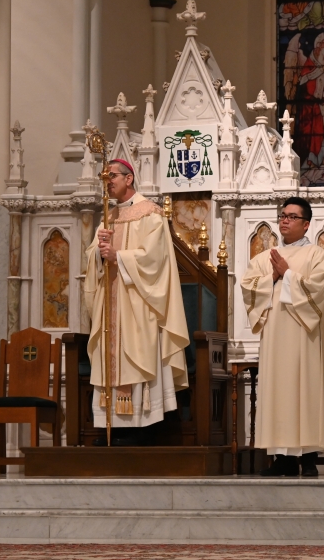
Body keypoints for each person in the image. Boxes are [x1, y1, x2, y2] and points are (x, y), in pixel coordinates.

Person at [83, 159, 189, 445]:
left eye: (113, 176)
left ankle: (142, 428)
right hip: (112, 305)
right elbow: (93, 259)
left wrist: (119, 256)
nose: (109, 182)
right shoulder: (109, 216)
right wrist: (98, 249)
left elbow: (155, 260)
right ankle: (113, 428)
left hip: (139, 302)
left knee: (137, 355)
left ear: (129, 179)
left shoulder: (150, 214)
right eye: (105, 177)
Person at [240, 196, 324, 477]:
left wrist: (288, 275)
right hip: (276, 335)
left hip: (304, 336)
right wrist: (273, 278)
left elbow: (319, 292)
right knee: (278, 391)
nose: (285, 220)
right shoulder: (262, 258)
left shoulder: (317, 255)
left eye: (292, 216)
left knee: (305, 389)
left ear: (306, 225)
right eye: (282, 215)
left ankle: (308, 457)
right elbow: (249, 288)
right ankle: (283, 458)